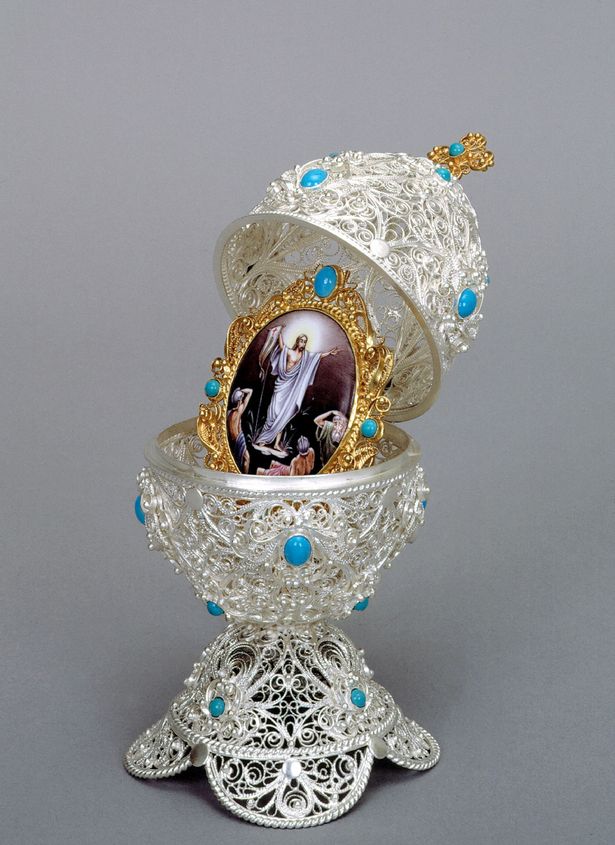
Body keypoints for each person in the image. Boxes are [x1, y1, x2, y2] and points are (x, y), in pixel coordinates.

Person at [255, 326, 338, 454]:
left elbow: (317, 356)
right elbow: (281, 346)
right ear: (297, 341)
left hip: (291, 389)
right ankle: (263, 439)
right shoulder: (289, 352)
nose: (303, 343)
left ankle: (276, 443)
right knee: (273, 413)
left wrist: (330, 353)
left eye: (305, 341)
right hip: (281, 385)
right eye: (301, 341)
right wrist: (279, 332)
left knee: (285, 415)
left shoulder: (305, 356)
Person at [227, 387, 252, 473]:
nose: (242, 399)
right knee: (247, 458)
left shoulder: (228, 413)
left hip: (233, 440)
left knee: (237, 460)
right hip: (239, 438)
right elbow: (250, 392)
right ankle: (245, 477)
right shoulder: (239, 411)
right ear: (239, 400)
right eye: (241, 397)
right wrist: (241, 391)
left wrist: (236, 393)